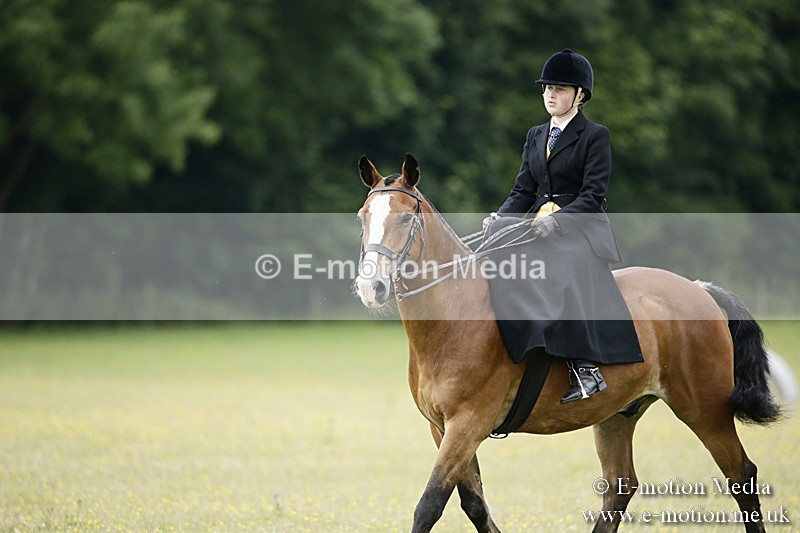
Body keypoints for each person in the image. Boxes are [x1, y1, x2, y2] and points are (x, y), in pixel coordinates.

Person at [485, 49, 642, 404]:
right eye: (546, 89)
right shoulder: (536, 134)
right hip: (539, 222)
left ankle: (585, 368)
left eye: (559, 89)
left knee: (557, 269)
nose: (550, 95)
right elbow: (523, 190)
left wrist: (558, 222)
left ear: (580, 95)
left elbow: (593, 194)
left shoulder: (595, 135)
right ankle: (526, 347)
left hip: (581, 226)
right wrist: (500, 220)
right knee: (500, 261)